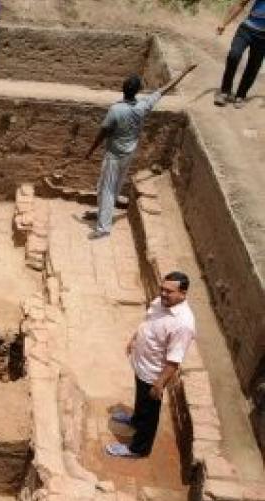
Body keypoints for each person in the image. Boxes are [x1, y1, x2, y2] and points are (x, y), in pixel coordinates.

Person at [84, 65, 196, 240]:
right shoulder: (143, 106)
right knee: (114, 185)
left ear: (123, 89)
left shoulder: (116, 110)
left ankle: (103, 227)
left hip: (114, 155)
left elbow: (104, 132)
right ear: (138, 91)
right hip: (128, 153)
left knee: (106, 188)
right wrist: (184, 72)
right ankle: (102, 214)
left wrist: (90, 151)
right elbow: (163, 90)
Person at [106, 272, 197, 459]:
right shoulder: (161, 303)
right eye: (162, 289)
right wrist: (134, 339)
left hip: (154, 374)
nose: (163, 294)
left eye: (169, 291)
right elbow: (148, 323)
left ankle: (138, 449)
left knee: (150, 413)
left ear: (183, 293)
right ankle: (134, 420)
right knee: (140, 399)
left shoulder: (183, 324)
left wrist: (159, 383)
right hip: (142, 364)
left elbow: (174, 360)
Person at [215, 0, 265, 108]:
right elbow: (240, 4)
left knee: (254, 65)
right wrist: (224, 23)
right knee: (234, 55)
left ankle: (241, 96)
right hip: (246, 30)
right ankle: (225, 91)